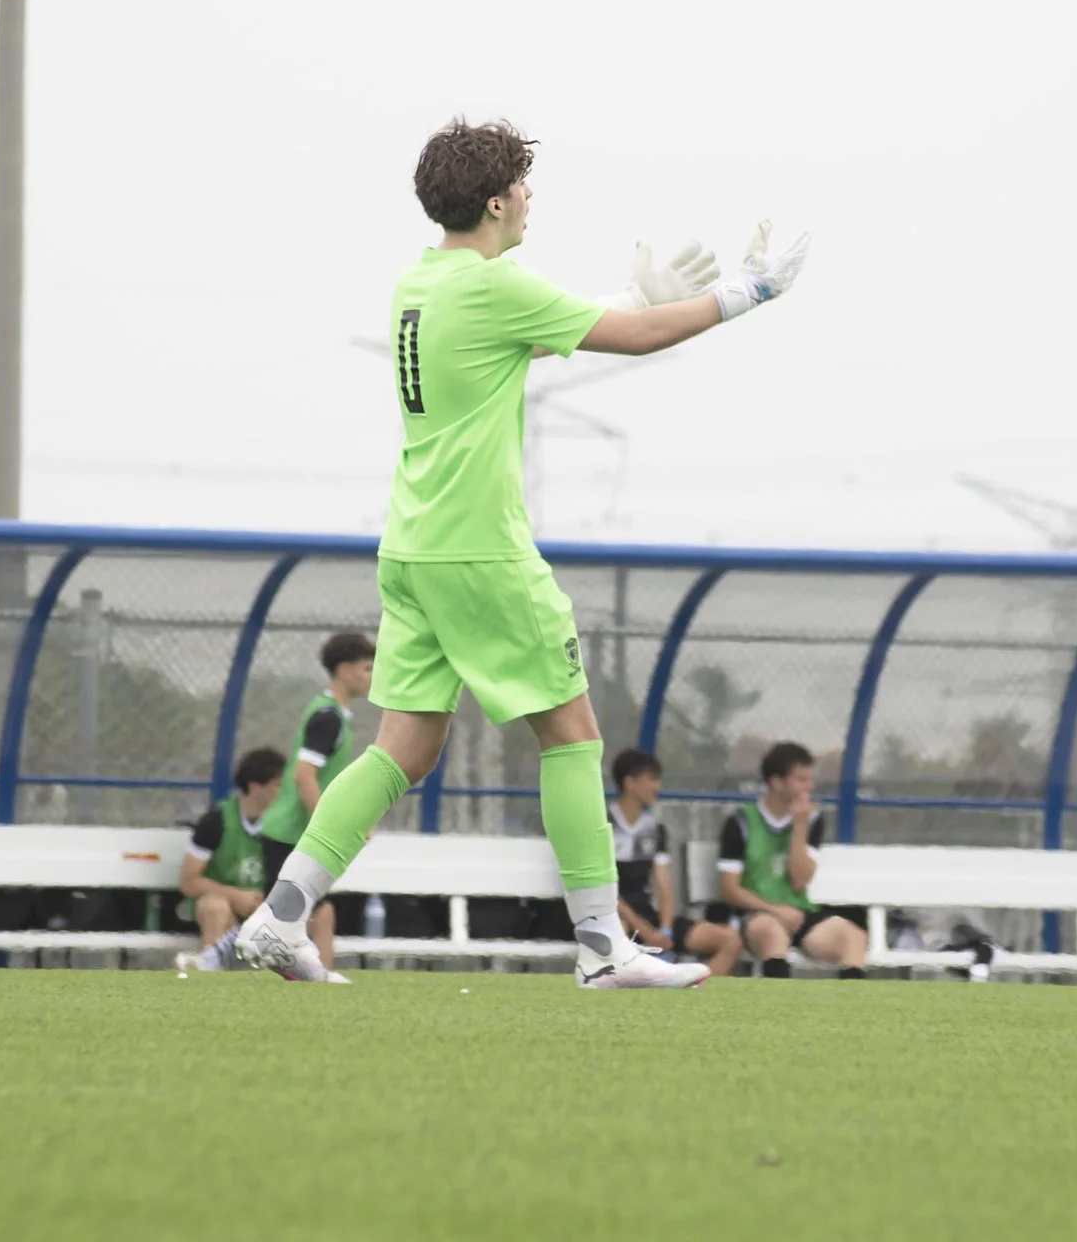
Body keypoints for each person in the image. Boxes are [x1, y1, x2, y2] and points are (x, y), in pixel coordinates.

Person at [238, 115, 809, 989]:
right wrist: (748, 293)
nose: (533, 199)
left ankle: (279, 920)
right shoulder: (492, 287)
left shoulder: (420, 284)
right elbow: (636, 338)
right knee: (572, 734)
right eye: (526, 187)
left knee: (402, 750)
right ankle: (600, 947)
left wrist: (628, 290)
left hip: (415, 547)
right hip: (480, 552)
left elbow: (534, 336)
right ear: (499, 200)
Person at [202, 632, 375, 982]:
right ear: (343, 670)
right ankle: (213, 958)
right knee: (284, 910)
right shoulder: (327, 718)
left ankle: (308, 973)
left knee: (299, 909)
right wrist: (330, 825)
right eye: (367, 668)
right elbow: (303, 776)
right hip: (290, 831)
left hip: (292, 830)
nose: (373, 676)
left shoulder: (335, 716)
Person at [718, 741, 870, 979]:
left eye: (809, 779)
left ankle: (851, 1009)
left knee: (854, 937)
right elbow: (730, 890)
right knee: (772, 933)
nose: (809, 787)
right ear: (776, 782)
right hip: (758, 914)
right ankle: (778, 1009)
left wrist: (799, 827)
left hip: (800, 913)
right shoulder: (740, 822)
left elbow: (799, 881)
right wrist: (775, 910)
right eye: (801, 780)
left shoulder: (811, 821)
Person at [609, 749, 741, 978]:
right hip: (613, 915)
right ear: (630, 782)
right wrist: (647, 932)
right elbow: (604, 890)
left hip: (649, 918)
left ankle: (696, 998)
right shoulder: (602, 825)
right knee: (619, 930)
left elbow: (664, 887)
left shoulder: (655, 829)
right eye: (651, 779)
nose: (657, 787)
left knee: (729, 940)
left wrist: (665, 929)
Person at [173, 746, 284, 975]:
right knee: (216, 907)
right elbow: (189, 881)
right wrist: (235, 895)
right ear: (255, 788)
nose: (284, 793)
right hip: (220, 902)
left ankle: (317, 985)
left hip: (261, 906)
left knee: (322, 914)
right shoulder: (216, 822)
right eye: (278, 785)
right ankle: (209, 986)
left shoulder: (282, 826)